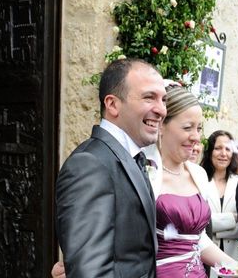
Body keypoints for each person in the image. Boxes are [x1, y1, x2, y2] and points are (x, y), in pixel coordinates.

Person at [55, 58, 166, 278]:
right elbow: (90, 272)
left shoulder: (131, 157)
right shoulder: (90, 164)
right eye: (149, 97)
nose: (161, 109)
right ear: (113, 104)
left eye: (164, 100)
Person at [147, 86, 238, 277]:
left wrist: (237, 269)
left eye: (199, 128)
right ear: (161, 125)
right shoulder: (146, 175)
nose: (196, 137)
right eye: (187, 127)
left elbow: (198, 240)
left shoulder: (199, 174)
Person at [201, 130, 238, 270]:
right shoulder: (199, 180)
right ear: (210, 151)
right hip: (205, 258)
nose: (223, 154)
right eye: (218, 148)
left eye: (228, 149)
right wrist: (232, 218)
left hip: (232, 256)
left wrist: (213, 229)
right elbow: (199, 224)